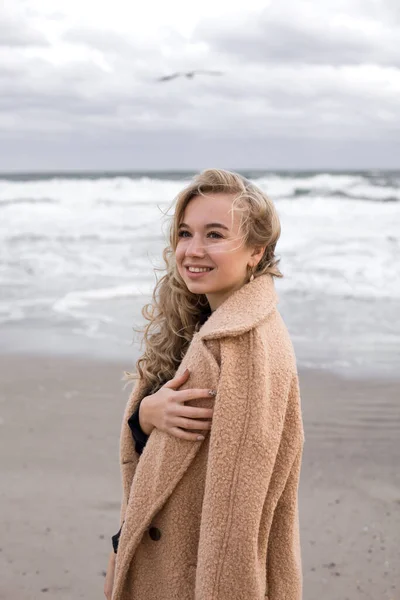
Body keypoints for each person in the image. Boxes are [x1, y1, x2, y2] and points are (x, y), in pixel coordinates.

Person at [104, 169, 304, 600]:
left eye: (214, 234)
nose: (192, 250)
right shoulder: (205, 324)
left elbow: (235, 515)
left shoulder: (240, 347)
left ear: (257, 250)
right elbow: (157, 469)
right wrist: (144, 415)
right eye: (185, 233)